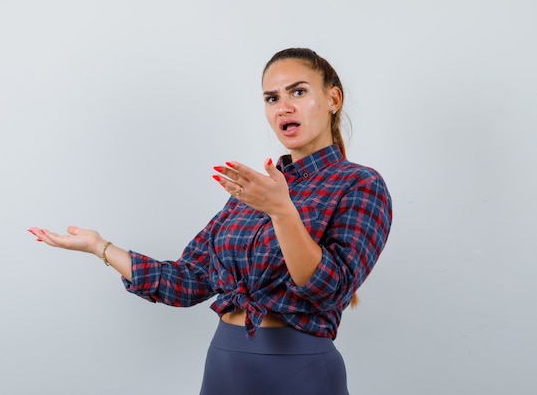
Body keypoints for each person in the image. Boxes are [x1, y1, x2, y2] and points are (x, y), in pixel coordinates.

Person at [29, 47, 392, 395]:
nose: (284, 107)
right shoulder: (254, 192)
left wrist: (281, 211)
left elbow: (328, 290)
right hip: (224, 366)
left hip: (299, 369)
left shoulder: (359, 185)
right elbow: (190, 280)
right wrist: (100, 247)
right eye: (272, 98)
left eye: (298, 91)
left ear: (333, 99)